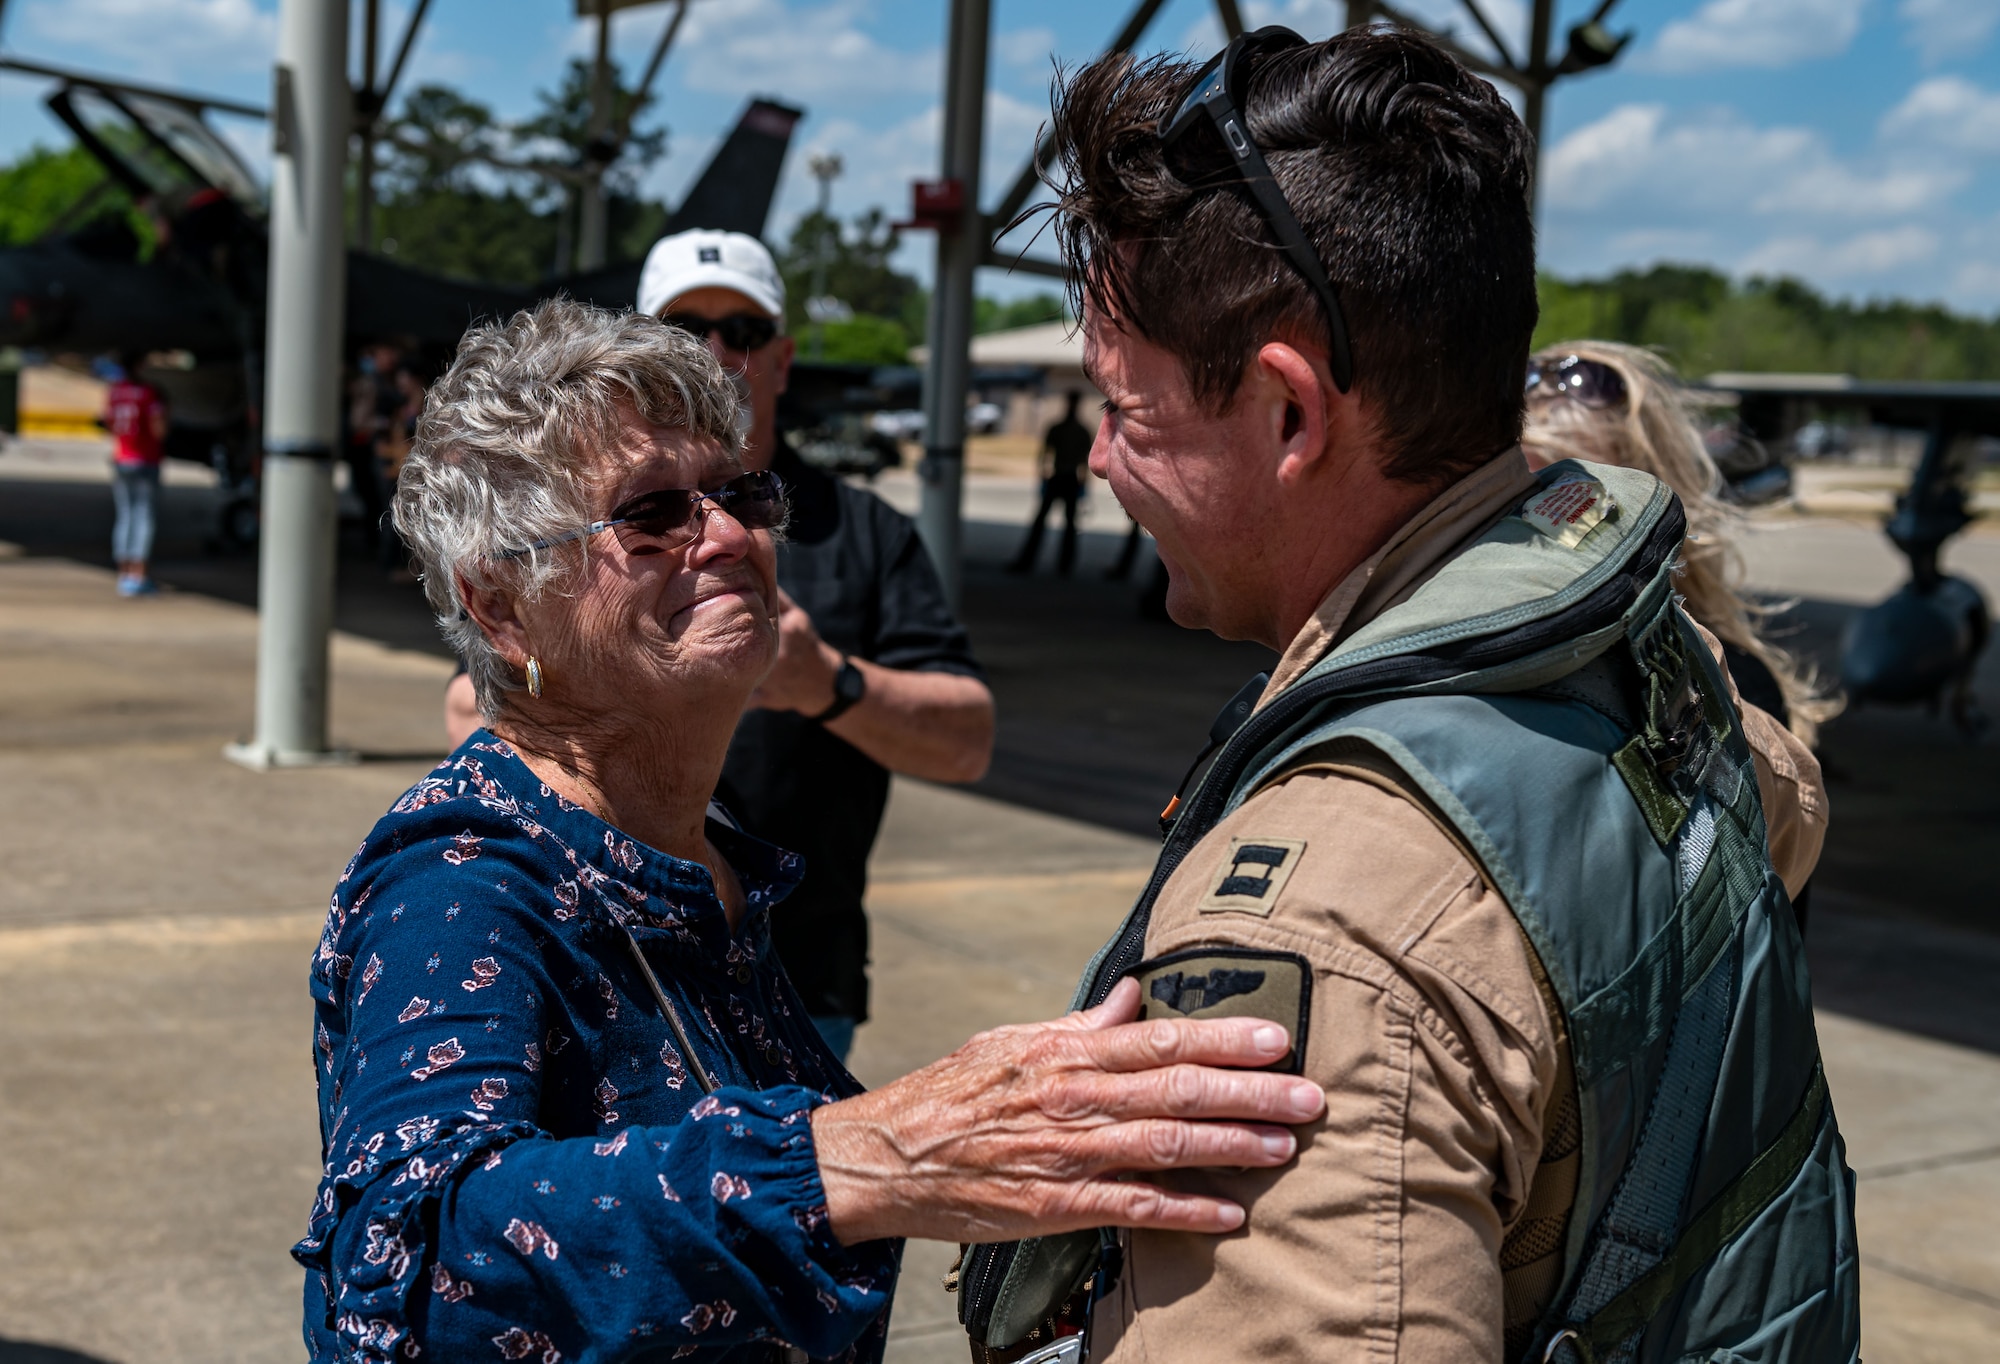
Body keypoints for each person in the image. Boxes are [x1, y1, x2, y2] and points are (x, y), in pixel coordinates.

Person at [957, 27, 1857, 1364]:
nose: (1095, 460)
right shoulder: (1657, 677)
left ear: (1288, 415)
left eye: (1126, 412)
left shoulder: (1333, 922)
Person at [309, 297, 1327, 1361]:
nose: (728, 534)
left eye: (739, 491)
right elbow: (406, 1258)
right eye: (652, 513)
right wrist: (870, 1155)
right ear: (503, 607)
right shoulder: (463, 879)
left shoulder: (693, 859)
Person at [462, 227, 991, 1061]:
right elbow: (473, 704)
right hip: (616, 960)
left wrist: (831, 685)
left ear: (780, 359)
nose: (719, 538)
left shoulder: (868, 533)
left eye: (740, 333)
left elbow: (968, 740)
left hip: (799, 971)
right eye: (684, 329)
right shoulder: (561, 527)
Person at [1522, 341, 1840, 745]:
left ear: (1655, 512)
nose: (1533, 523)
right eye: (1518, 495)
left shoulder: (1724, 687)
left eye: (1573, 497)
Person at [1008, 390, 1094, 575]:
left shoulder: (1080, 431)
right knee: (1042, 521)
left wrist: (1083, 484)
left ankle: (1064, 565)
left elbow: (1085, 461)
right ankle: (1030, 561)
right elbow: (1045, 454)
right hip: (1059, 476)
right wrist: (1043, 475)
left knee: (1068, 524)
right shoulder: (1060, 428)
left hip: (1069, 478)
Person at [103, 351, 168, 596]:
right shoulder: (149, 393)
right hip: (145, 458)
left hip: (121, 457)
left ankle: (123, 571)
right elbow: (158, 428)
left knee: (125, 514)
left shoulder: (115, 391)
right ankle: (139, 574)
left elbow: (110, 422)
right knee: (144, 515)